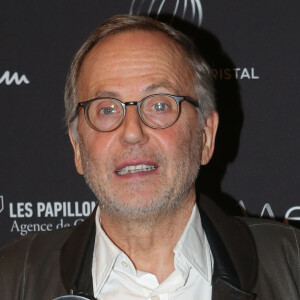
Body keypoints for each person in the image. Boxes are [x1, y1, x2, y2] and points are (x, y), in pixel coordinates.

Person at [0, 14, 299, 300]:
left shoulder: (293, 267)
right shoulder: (11, 281)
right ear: (78, 146)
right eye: (107, 109)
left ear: (205, 135)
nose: (132, 132)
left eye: (159, 105)